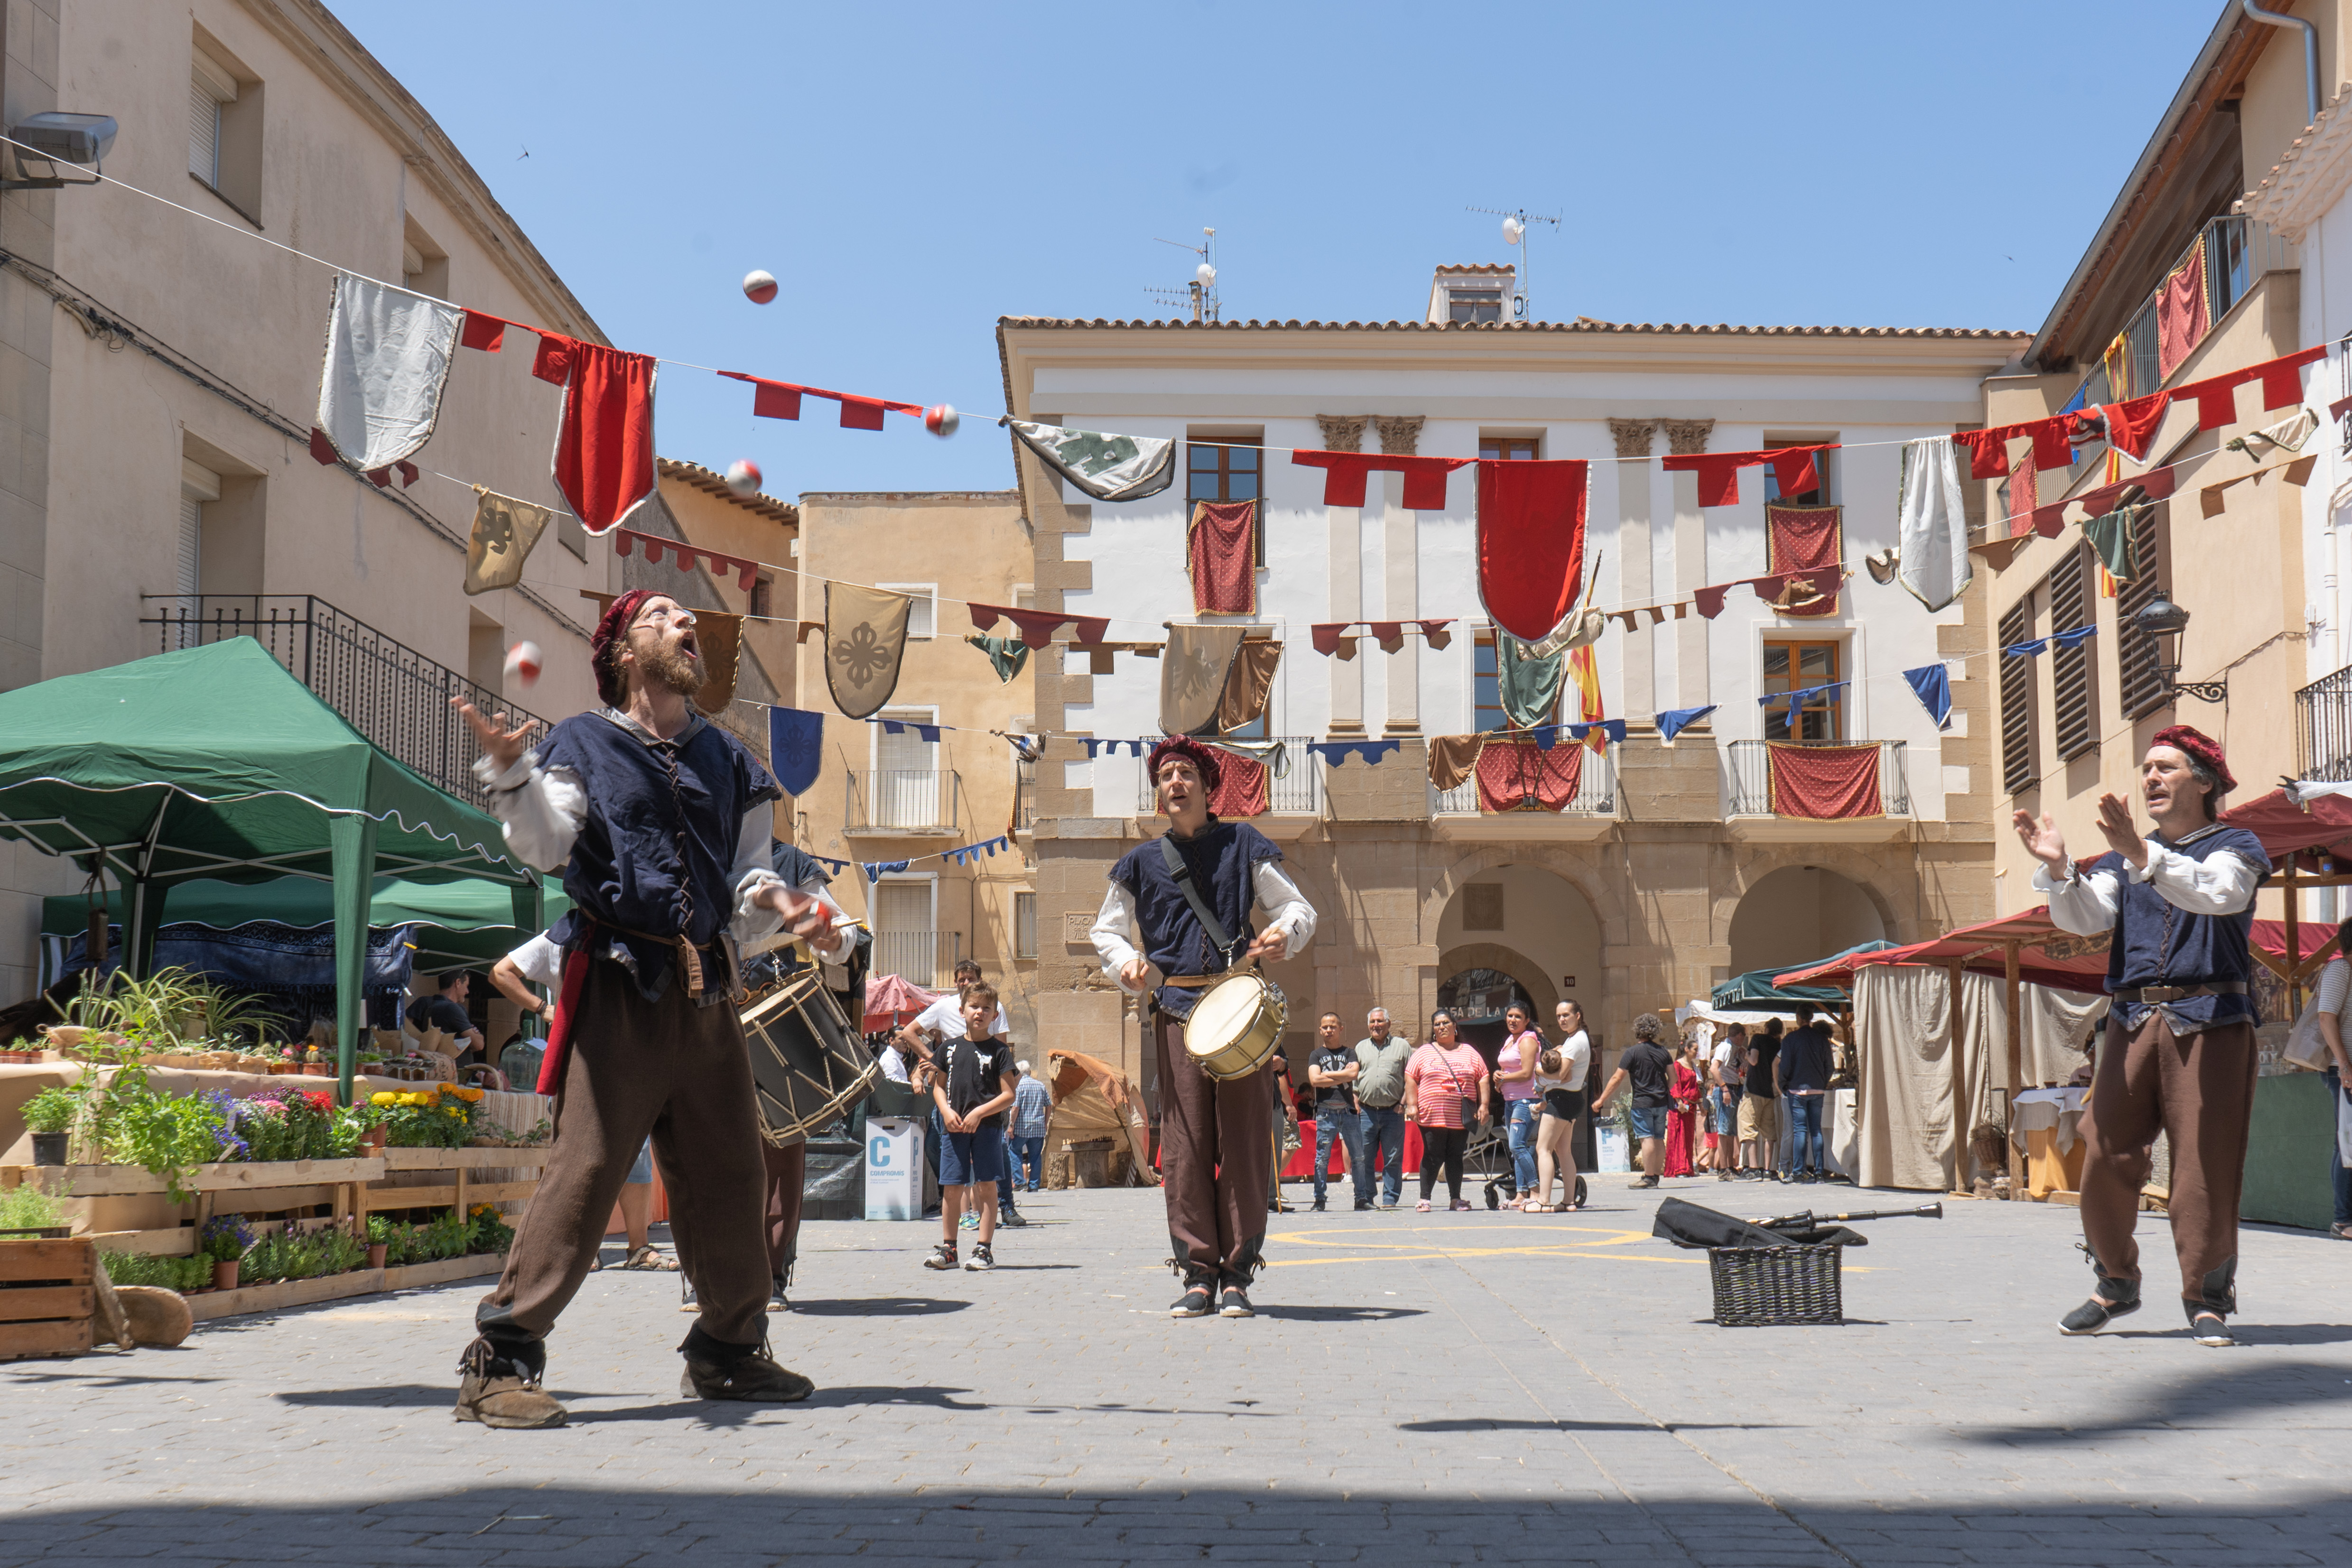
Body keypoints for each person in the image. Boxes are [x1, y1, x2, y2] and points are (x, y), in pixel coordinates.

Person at [448, 589, 832, 1427]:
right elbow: (548, 844)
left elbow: (748, 875)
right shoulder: (583, 741)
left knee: (730, 1174)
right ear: (624, 651)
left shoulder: (728, 759)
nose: (685, 624)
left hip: (710, 990)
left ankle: (729, 1352)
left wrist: (786, 905)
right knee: (586, 1172)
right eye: (662, 616)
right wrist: (511, 774)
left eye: (687, 618)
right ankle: (500, 1360)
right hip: (619, 984)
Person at [2019, 725, 2271, 1346]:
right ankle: (2114, 1282)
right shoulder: (2123, 859)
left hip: (2211, 1018)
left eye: (2166, 767)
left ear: (2204, 782)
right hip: (2132, 1019)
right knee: (2103, 1147)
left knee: (2203, 1163)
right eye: (2147, 769)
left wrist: (2141, 855)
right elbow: (2087, 918)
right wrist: (2058, 868)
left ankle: (2206, 1297)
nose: (2151, 777)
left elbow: (2218, 895)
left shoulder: (2236, 847)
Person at [1091, 734, 1317, 1319]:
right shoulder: (1139, 862)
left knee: (1244, 1141)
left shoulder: (1243, 843)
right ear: (1158, 790)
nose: (1175, 782)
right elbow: (1106, 930)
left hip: (1238, 1007)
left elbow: (1296, 907)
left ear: (1207, 786)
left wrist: (1284, 933)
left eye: (1186, 772)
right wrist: (1127, 962)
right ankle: (1198, 1274)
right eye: (1166, 775)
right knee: (1186, 1144)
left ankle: (1237, 1276)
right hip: (1175, 1011)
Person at [728, 836, 861, 1308]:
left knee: (780, 1155)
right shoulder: (691, 841)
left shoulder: (788, 861)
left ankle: (771, 1274)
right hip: (703, 1015)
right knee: (704, 1153)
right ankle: (708, 1274)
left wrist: (831, 937)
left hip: (773, 1020)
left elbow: (840, 931)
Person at [488, 931, 669, 1273]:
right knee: (580, 1158)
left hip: (630, 1063)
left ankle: (638, 1248)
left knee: (638, 1153)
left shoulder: (638, 934)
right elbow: (501, 972)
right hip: (578, 1067)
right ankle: (582, 1250)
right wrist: (542, 1008)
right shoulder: (560, 936)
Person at [921, 984, 1016, 1273]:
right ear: (962, 1011)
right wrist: (946, 1111)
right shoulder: (948, 1048)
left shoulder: (1000, 1052)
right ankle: (949, 1249)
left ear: (995, 1016)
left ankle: (984, 1249)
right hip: (954, 1128)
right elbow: (939, 1088)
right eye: (974, 1007)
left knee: (986, 1186)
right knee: (952, 1188)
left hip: (987, 1129)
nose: (980, 1013)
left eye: (987, 1009)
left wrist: (979, 1113)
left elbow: (1009, 1094)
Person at [1404, 1010, 1490, 1212]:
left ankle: (1455, 1199)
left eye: (1445, 1023)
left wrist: (1484, 1105)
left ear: (1455, 1026)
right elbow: (1410, 1077)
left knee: (1455, 1156)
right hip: (1431, 1115)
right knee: (1433, 1155)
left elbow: (1483, 1077)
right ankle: (1425, 1199)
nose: (1441, 1027)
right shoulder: (1424, 1052)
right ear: (1433, 1030)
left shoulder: (1469, 1052)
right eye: (1437, 1024)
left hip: (1461, 1117)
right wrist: (1412, 1104)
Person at [1595, 1013, 1674, 1188]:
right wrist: (1664, 1091)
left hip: (1642, 1103)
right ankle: (1656, 1176)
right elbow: (1673, 1078)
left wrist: (1601, 1100)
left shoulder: (1632, 1053)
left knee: (1646, 1138)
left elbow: (1617, 1078)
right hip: (1661, 1103)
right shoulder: (1664, 1052)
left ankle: (1648, 1177)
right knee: (1659, 1138)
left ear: (1637, 1031)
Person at [1531, 999, 1590, 1212]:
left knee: (1543, 1149)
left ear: (1578, 1015)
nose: (1562, 1020)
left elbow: (1562, 1075)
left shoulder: (1575, 1042)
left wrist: (1536, 1069)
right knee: (1563, 1151)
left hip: (1561, 1100)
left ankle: (1543, 1202)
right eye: (1559, 1016)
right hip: (1570, 1100)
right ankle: (1568, 1202)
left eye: (1566, 1015)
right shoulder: (1574, 1039)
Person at [1307, 1011, 1367, 1212]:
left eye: (1333, 1026)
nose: (1329, 1030)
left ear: (1341, 1029)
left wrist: (1328, 1075)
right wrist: (1343, 1075)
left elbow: (1354, 1073)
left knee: (1358, 1157)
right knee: (1322, 1159)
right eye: (1325, 1027)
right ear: (1320, 1030)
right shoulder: (1316, 1055)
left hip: (1348, 1111)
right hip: (1326, 1112)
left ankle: (1361, 1199)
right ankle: (1319, 1200)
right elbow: (1315, 1080)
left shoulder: (1350, 1052)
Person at [1352, 1008, 1412, 1209]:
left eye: (1380, 1021)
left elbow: (1411, 1078)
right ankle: (1368, 1197)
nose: (1376, 1025)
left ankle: (1390, 1198)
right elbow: (1354, 1079)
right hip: (1366, 1112)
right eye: (1372, 1022)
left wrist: (1402, 1104)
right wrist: (1355, 1101)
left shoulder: (1402, 1046)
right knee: (1364, 1159)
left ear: (1389, 1024)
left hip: (1393, 1113)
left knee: (1393, 1158)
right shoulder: (1360, 1047)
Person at [1776, 1001, 1836, 1184]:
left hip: (1796, 1089)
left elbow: (1784, 1067)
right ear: (1811, 1018)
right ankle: (1819, 1172)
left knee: (1800, 1131)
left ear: (1798, 1018)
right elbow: (1830, 1067)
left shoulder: (1790, 1039)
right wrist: (1822, 1082)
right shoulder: (1822, 1039)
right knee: (1816, 1131)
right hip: (1817, 1089)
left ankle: (1797, 1171)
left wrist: (1784, 1085)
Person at [1494, 1003, 1544, 1208]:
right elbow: (1505, 1068)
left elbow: (1526, 1073)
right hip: (1510, 1101)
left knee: (1517, 1146)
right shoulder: (1510, 1040)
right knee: (1517, 1149)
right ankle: (1521, 1194)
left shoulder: (1528, 1040)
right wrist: (1498, 1077)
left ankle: (1536, 1192)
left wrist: (1503, 1078)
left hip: (1526, 1101)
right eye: (1510, 1016)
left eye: (1518, 1017)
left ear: (1527, 1021)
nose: (1513, 1020)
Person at [406, 971, 485, 1067]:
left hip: (433, 1066)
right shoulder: (453, 1008)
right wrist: (476, 1035)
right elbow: (479, 1045)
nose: (467, 991)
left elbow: (405, 1031)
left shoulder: (430, 1005)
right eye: (466, 986)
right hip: (452, 1069)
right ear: (458, 983)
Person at [1740, 1019, 1783, 1182]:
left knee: (1748, 1127)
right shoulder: (1778, 1045)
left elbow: (1753, 1060)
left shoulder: (1758, 1038)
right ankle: (1768, 1169)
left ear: (1767, 1028)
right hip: (1769, 1092)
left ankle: (1753, 1169)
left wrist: (1746, 1054)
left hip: (1753, 1090)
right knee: (1769, 1132)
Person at [1009, 1060, 1052, 1194]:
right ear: (1030, 1072)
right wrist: (1046, 1123)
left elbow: (1015, 1108)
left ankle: (1019, 1182)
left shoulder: (1019, 1087)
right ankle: (1034, 1185)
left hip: (1022, 1128)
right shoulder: (1040, 1085)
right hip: (1038, 1127)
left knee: (1014, 1151)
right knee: (1036, 1156)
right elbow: (1049, 1105)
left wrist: (1011, 1125)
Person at [1711, 1023, 1747, 1180]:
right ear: (1739, 1035)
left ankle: (1730, 1166)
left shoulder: (1736, 1049)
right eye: (1743, 1036)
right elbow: (1714, 1068)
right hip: (1726, 1089)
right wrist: (1724, 1089)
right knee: (1724, 1131)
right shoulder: (1724, 1047)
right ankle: (1723, 1169)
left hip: (1734, 1088)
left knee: (1731, 1132)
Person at [1663, 1037, 1701, 1179]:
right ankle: (1679, 1168)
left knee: (1688, 1138)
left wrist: (1701, 1103)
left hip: (1691, 1106)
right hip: (1680, 1106)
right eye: (1695, 1049)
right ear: (1686, 1049)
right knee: (1679, 1136)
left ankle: (1687, 1167)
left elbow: (1695, 1086)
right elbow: (1675, 1084)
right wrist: (1679, 1101)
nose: (1697, 1052)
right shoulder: (1677, 1065)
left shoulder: (1693, 1066)